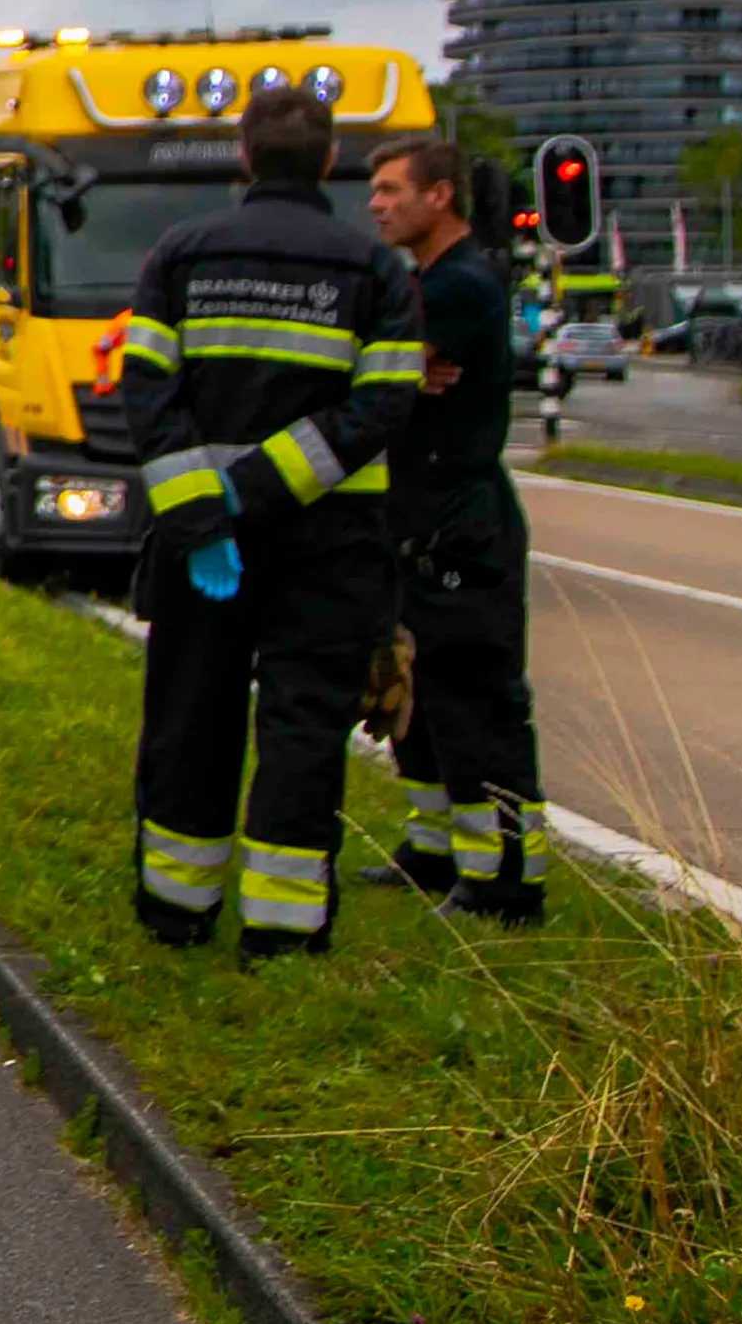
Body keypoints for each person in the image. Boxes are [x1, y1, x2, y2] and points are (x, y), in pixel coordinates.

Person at [113, 84, 425, 961]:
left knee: (189, 717)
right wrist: (262, 487)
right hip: (328, 547)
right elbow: (382, 408)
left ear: (245, 156)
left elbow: (147, 392)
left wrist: (206, 508)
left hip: (201, 546)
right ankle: (283, 933)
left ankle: (175, 910)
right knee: (302, 727)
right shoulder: (377, 270)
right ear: (329, 161)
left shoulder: (179, 255)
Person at [363, 136, 545, 923]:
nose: (376, 204)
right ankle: (435, 850)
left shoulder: (463, 284)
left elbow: (372, 373)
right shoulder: (425, 281)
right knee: (420, 702)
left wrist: (384, 367)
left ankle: (507, 885)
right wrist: (391, 366)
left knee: (476, 705)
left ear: (440, 196)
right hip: (420, 515)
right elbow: (383, 368)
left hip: (460, 524)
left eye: (391, 189)